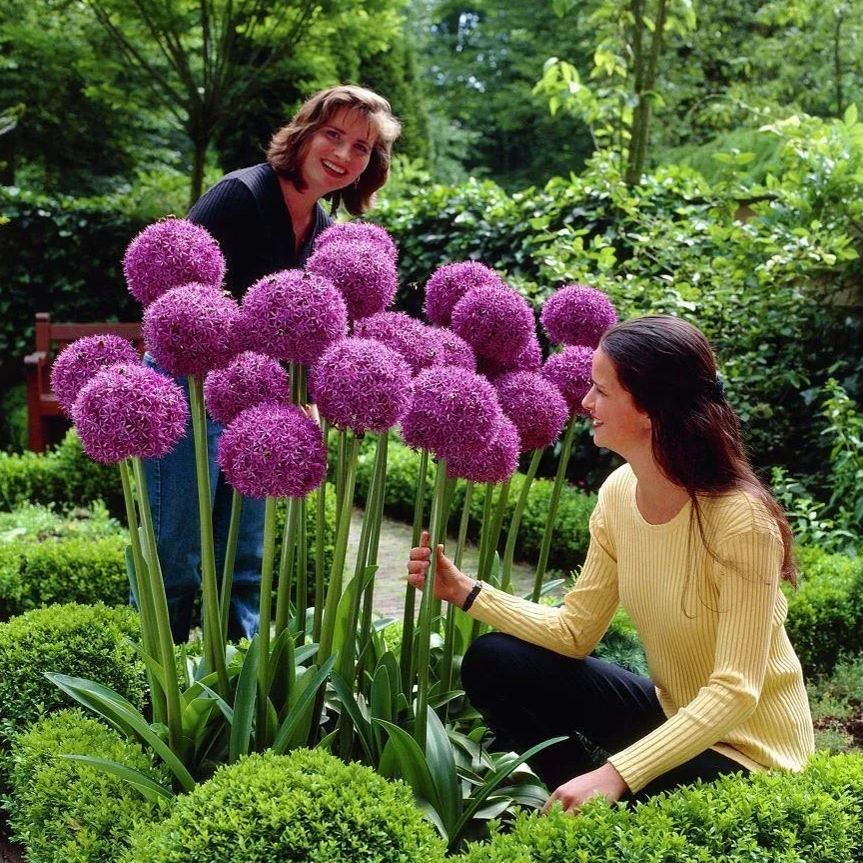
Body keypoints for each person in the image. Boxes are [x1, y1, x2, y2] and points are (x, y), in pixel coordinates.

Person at [407, 315, 814, 811]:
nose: (585, 403)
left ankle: (607, 799)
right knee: (496, 662)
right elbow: (576, 632)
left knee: (642, 779)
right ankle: (588, 807)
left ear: (649, 410)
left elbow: (735, 691)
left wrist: (617, 772)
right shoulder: (619, 493)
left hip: (752, 756)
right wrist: (468, 593)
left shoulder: (740, 521)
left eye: (602, 390)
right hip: (674, 717)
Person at [146, 85, 401, 642]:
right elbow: (173, 302)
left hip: (256, 402)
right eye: (333, 134)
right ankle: (159, 686)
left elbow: (308, 336)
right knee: (176, 555)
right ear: (305, 132)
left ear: (370, 166)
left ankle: (241, 681)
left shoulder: (326, 235)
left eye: (361, 147)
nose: (342, 154)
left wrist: (309, 394)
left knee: (243, 560)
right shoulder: (239, 196)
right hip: (185, 390)